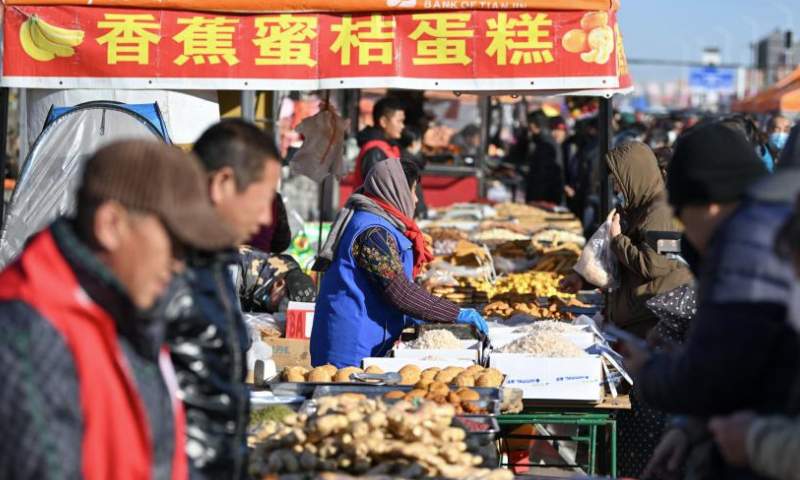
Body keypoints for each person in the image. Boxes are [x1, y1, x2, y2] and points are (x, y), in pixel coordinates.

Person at [0, 140, 239, 480]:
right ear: (111, 225)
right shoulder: (27, 332)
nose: (179, 264)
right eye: (174, 243)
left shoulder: (127, 311)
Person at [622, 123, 800, 480]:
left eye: (682, 213)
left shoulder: (746, 239)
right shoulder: (764, 227)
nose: (683, 228)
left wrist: (648, 373)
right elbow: (743, 360)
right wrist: (689, 423)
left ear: (710, 203)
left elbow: (717, 374)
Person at [157, 119, 282, 480]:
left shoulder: (213, 258)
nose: (266, 218)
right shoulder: (161, 268)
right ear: (222, 183)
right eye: (263, 199)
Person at [311, 160, 488, 368]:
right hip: (352, 348)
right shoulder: (372, 233)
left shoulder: (376, 221)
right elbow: (399, 292)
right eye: (413, 191)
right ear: (396, 190)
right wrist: (455, 314)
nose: (415, 199)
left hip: (367, 340)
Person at [560, 141, 693, 337]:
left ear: (634, 176)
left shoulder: (662, 212)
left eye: (618, 181)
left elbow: (655, 265)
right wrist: (583, 279)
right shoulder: (639, 209)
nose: (616, 189)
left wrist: (617, 239)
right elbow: (623, 264)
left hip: (652, 321)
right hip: (638, 316)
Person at [236, 246, 316, 313]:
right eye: (282, 305)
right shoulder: (241, 268)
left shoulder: (265, 287)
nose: (277, 311)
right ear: (279, 284)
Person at [352, 97, 406, 187]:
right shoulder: (375, 151)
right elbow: (377, 189)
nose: (402, 126)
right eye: (399, 121)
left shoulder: (389, 147)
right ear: (383, 122)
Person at [525, 110, 565, 206]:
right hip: (547, 199)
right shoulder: (545, 142)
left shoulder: (545, 145)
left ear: (534, 125)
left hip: (545, 201)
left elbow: (544, 176)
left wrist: (537, 201)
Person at [399, 125, 428, 219]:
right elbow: (415, 190)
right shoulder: (409, 164)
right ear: (414, 143)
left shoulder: (400, 159)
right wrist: (421, 212)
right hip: (412, 215)